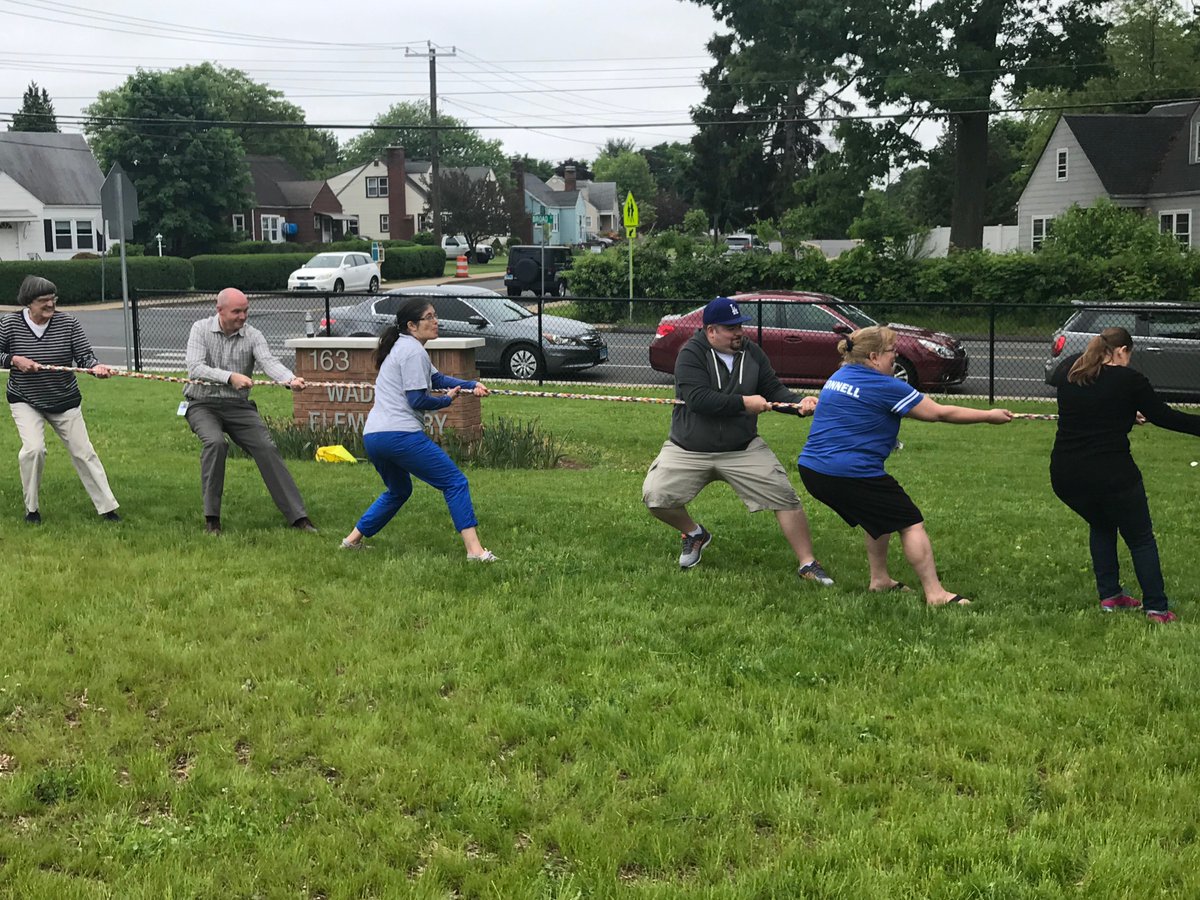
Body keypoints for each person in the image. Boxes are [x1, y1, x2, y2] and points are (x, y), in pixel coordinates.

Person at [797, 325, 1012, 606]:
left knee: (877, 517)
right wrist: (988, 415)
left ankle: (880, 580)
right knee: (910, 523)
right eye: (891, 352)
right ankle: (936, 594)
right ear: (874, 357)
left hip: (813, 470)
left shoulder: (839, 376)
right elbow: (939, 413)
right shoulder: (887, 386)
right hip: (849, 473)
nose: (895, 357)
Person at [642, 295, 832, 582]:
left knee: (784, 496)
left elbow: (773, 390)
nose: (739, 332)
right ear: (711, 331)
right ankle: (695, 533)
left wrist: (799, 404)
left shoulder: (752, 353)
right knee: (655, 496)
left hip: (742, 447)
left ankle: (807, 564)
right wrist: (744, 403)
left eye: (739, 325)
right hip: (689, 447)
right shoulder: (690, 353)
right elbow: (698, 399)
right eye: (731, 328)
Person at [1050, 327, 1200, 624]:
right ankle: (1156, 607)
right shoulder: (1129, 380)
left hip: (1066, 474)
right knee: (1141, 538)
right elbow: (1165, 416)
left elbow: (1090, 403)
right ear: (1121, 351)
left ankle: (1111, 595)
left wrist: (1125, 412)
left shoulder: (1070, 369)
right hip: (1111, 474)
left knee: (1101, 523)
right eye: (1128, 356)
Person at [340, 297, 495, 559]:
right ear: (412, 325)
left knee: (399, 491)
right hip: (400, 435)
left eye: (436, 316)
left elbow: (437, 378)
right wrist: (448, 400)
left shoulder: (406, 348)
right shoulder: (412, 351)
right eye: (430, 317)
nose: (437, 322)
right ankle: (475, 552)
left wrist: (470, 385)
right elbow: (417, 399)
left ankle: (351, 541)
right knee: (455, 482)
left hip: (374, 436)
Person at [183, 287, 317, 535]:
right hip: (202, 404)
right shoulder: (200, 329)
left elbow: (269, 362)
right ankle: (212, 519)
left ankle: (299, 518)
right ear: (219, 310)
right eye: (237, 311)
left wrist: (290, 379)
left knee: (267, 448)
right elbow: (195, 368)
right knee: (215, 444)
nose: (243, 317)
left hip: (238, 407)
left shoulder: (253, 335)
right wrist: (230, 377)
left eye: (246, 311)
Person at [0, 275, 121, 525]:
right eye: (44, 300)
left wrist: (96, 367)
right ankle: (31, 509)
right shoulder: (10, 323)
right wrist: (13, 360)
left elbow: (85, 355)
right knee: (34, 450)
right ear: (28, 303)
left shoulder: (68, 323)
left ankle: (108, 508)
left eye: (53, 299)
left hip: (64, 400)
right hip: (25, 399)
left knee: (84, 453)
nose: (50, 305)